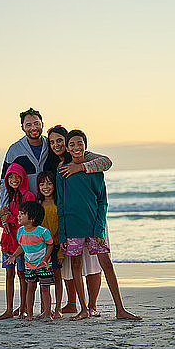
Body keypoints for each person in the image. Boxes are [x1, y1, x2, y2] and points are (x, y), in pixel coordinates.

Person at [57, 129, 141, 321]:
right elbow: (60, 204)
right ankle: (84, 309)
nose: (77, 147)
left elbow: (102, 202)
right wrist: (62, 235)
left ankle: (120, 309)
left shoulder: (95, 170)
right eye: (72, 145)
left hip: (94, 227)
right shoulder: (62, 173)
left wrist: (99, 228)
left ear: (86, 146)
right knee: (76, 265)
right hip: (72, 228)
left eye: (80, 144)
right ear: (67, 148)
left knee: (107, 264)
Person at [46, 125, 112, 315]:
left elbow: (106, 162)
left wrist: (80, 167)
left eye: (60, 140)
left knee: (92, 264)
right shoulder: (53, 163)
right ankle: (73, 303)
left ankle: (92, 305)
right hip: (68, 219)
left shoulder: (84, 155)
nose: (56, 144)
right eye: (52, 142)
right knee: (69, 264)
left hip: (90, 218)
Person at [0, 164, 36, 320]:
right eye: (10, 177)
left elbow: (29, 222)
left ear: (23, 177)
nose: (14, 180)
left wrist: (8, 218)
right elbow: (1, 222)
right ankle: (9, 309)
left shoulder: (28, 196)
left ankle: (23, 308)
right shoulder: (9, 196)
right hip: (7, 242)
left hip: (22, 243)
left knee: (22, 274)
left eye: (17, 176)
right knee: (9, 274)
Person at [5, 201, 54, 321]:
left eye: (22, 214)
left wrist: (45, 258)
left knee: (45, 288)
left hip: (43, 265)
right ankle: (30, 314)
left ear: (32, 218)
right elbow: (22, 246)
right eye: (19, 213)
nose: (19, 216)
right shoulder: (20, 231)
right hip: (29, 265)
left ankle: (47, 313)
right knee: (30, 288)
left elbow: (50, 244)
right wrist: (14, 256)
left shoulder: (42, 231)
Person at [0, 108, 49, 211]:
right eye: (28, 125)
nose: (33, 128)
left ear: (42, 124)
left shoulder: (51, 146)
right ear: (22, 128)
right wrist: (5, 210)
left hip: (50, 206)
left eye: (36, 123)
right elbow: (4, 181)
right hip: (26, 209)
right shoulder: (14, 150)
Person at [37, 171, 63, 319]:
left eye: (49, 183)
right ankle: (45, 309)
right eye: (42, 184)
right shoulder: (38, 204)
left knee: (57, 276)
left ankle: (58, 308)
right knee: (43, 279)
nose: (45, 187)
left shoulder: (59, 203)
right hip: (42, 248)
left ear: (54, 185)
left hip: (57, 246)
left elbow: (62, 226)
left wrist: (60, 253)